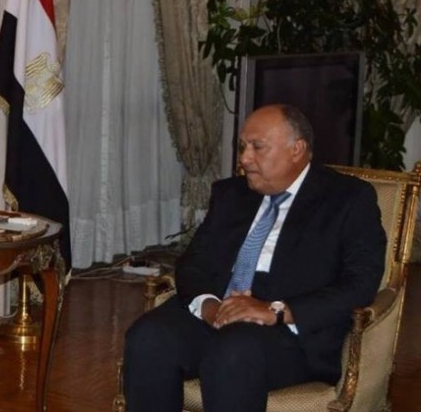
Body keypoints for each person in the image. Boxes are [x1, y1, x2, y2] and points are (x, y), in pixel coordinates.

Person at [122, 104, 386, 411]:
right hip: (219, 312)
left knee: (233, 352)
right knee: (148, 337)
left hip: (288, 333)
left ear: (297, 149)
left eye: (257, 147)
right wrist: (209, 306)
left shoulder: (348, 198)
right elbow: (194, 262)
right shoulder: (231, 194)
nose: (244, 159)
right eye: (243, 147)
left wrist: (276, 311)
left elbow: (360, 283)